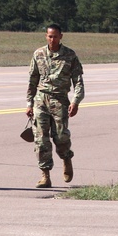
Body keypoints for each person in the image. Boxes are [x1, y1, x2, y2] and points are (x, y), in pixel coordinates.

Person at [25, 23, 85, 188]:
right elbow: (32, 80)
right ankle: (45, 175)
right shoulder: (38, 54)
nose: (52, 39)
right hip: (41, 100)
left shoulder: (70, 56)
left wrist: (75, 101)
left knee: (60, 136)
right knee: (40, 139)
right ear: (46, 36)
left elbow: (78, 81)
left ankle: (66, 158)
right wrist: (29, 103)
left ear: (61, 37)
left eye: (55, 36)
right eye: (49, 36)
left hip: (60, 100)